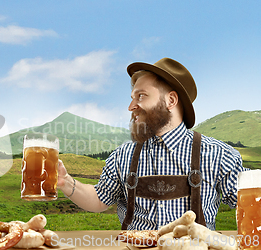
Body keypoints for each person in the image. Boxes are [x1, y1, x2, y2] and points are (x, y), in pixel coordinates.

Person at [57, 57, 249, 230]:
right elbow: (99, 199)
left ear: (171, 100)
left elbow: (250, 202)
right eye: (132, 97)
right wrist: (66, 182)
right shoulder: (122, 155)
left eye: (141, 96)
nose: (131, 107)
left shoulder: (219, 155)